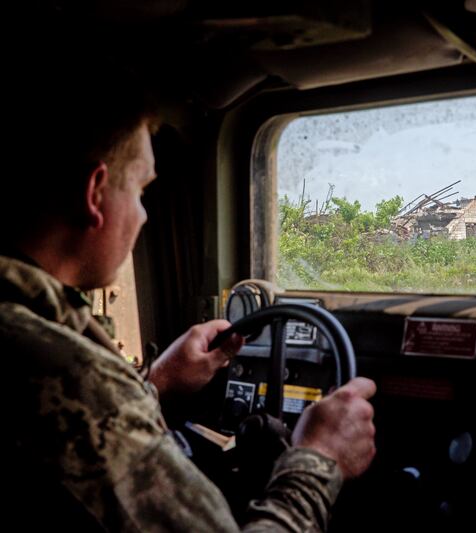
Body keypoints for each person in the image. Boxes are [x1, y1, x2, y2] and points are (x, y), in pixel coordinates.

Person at [1, 31, 375, 532]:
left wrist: (156, 383)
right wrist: (319, 461)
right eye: (139, 190)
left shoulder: (32, 335)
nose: (143, 216)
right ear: (95, 193)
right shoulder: (64, 371)